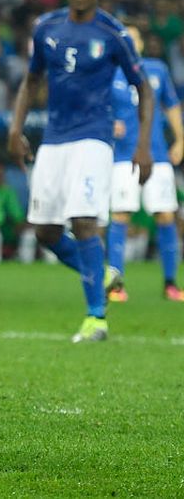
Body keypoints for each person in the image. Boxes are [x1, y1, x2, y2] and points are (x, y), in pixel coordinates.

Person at [8, 0, 153, 344]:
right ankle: (102, 274)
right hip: (54, 138)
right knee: (45, 231)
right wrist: (15, 127)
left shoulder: (112, 32)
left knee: (84, 221)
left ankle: (96, 319)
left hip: (94, 137)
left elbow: (145, 89)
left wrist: (142, 146)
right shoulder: (47, 28)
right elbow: (31, 80)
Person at [107, 25, 183, 302]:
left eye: (133, 37)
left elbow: (172, 105)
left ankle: (170, 283)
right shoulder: (109, 71)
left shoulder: (157, 69)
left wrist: (181, 140)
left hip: (158, 156)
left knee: (165, 216)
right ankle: (116, 285)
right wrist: (107, 123)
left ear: (140, 42)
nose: (129, 41)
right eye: (124, 37)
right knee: (120, 216)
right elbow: (97, 106)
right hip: (122, 157)